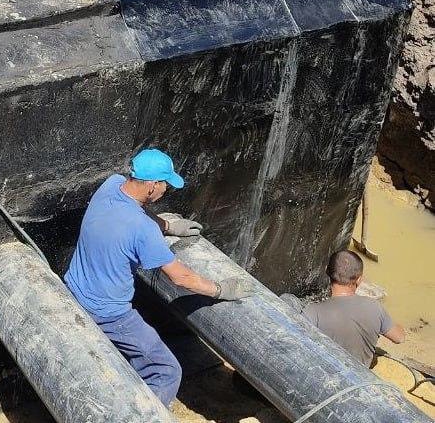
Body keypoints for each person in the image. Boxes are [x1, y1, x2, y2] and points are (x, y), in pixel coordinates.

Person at [64, 148, 253, 408]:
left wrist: (167, 226)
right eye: (165, 183)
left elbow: (136, 210)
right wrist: (220, 289)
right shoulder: (141, 230)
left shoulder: (111, 185)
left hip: (74, 289)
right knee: (166, 372)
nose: (166, 189)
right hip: (108, 314)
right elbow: (181, 277)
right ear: (152, 185)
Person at [299, 250, 404, 367]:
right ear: (359, 279)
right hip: (359, 379)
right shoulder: (374, 307)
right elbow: (399, 338)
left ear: (326, 270)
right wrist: (397, 326)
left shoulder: (312, 312)